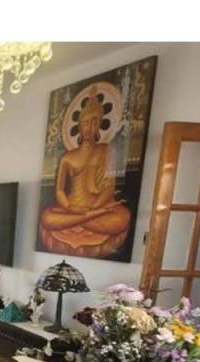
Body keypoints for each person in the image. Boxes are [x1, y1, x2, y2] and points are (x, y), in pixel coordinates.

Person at [38, 89, 131, 257]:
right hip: (72, 207)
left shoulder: (106, 151)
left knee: (122, 218)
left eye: (94, 122)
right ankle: (86, 217)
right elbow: (59, 191)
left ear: (100, 125)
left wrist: (94, 207)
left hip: (96, 207)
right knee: (47, 217)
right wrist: (70, 207)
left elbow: (109, 186)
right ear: (79, 126)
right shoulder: (68, 157)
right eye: (86, 122)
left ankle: (83, 218)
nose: (90, 127)